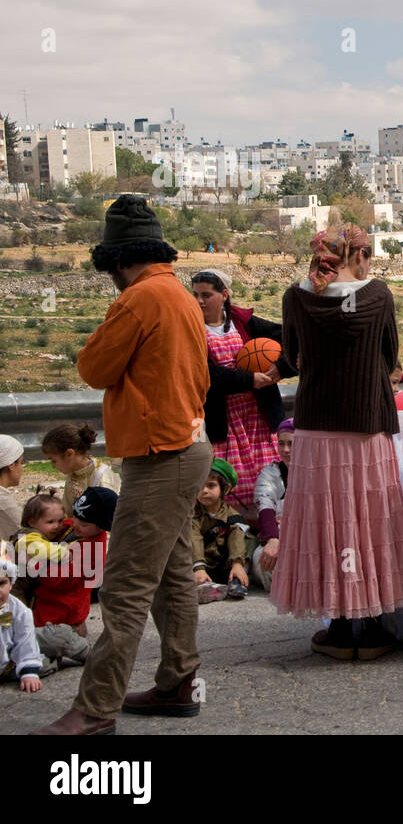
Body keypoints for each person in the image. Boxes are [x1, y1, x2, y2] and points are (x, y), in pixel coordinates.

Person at [35, 194, 212, 736]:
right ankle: (178, 681)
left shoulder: (138, 298)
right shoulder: (179, 293)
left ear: (115, 259)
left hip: (158, 457)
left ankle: (94, 710)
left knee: (126, 585)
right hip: (188, 447)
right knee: (173, 576)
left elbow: (93, 366)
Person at [271, 224, 403, 661]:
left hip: (317, 425)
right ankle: (373, 629)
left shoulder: (296, 298)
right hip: (367, 423)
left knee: (327, 521)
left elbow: (291, 357)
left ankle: (338, 629)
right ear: (357, 255)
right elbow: (391, 356)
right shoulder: (377, 296)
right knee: (369, 520)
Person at [191, 268, 292, 515]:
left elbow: (293, 340)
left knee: (268, 485)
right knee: (229, 488)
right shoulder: (190, 330)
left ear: (224, 294)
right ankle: (237, 537)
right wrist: (249, 380)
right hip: (221, 422)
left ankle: (270, 534)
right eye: (195, 295)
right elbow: (204, 374)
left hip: (259, 419)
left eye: (206, 295)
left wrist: (280, 368)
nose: (199, 301)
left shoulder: (245, 323)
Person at [14, 491, 97, 668]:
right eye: (50, 522)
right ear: (31, 522)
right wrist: (67, 551)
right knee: (22, 623)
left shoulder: (45, 535)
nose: (57, 526)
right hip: (18, 593)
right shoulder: (28, 538)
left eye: (60, 521)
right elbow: (46, 551)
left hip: (33, 592)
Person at [192, 458, 250, 603]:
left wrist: (237, 564)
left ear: (226, 489)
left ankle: (236, 582)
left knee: (248, 543)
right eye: (200, 485)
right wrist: (198, 567)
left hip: (223, 564)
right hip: (198, 564)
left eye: (211, 486)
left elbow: (237, 539)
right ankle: (202, 585)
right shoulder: (192, 514)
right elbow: (193, 538)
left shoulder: (233, 516)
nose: (204, 491)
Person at [41, 424, 121, 518]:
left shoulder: (101, 478)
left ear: (69, 454)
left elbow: (109, 519)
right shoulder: (73, 473)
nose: (53, 466)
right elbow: (67, 511)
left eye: (54, 461)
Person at [250, 419, 293, 592]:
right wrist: (273, 539)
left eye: (291, 444)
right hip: (278, 536)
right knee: (263, 558)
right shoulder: (270, 473)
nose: (285, 450)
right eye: (281, 444)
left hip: (310, 538)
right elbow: (265, 506)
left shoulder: (319, 471)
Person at [0, 552, 47, 692]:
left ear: (11, 584)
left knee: (56, 640)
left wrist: (29, 671)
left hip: (11, 662)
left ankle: (84, 650)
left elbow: (25, 641)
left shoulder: (20, 610)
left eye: (2, 583)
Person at [0, 435, 25, 540]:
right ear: (11, 465)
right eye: (21, 462)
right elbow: (27, 534)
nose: (21, 469)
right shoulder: (3, 501)